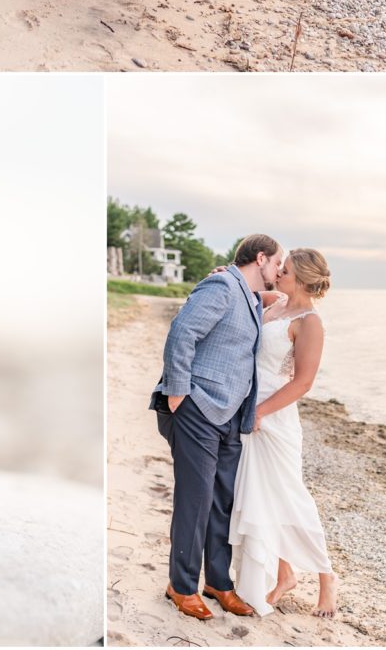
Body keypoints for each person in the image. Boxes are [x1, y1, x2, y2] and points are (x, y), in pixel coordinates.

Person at [150, 234, 282, 621]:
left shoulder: (254, 297)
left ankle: (218, 583)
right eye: (278, 263)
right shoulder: (222, 284)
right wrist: (177, 393)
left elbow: (292, 300)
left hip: (230, 416)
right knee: (195, 498)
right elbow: (182, 333)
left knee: (222, 500)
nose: (279, 270)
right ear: (261, 258)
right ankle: (182, 585)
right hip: (197, 407)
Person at [229, 248, 339, 618]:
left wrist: (261, 411)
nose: (278, 274)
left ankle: (326, 578)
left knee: (289, 496)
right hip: (247, 407)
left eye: (286, 271)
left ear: (305, 279)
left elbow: (303, 382)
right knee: (258, 496)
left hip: (273, 415)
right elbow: (242, 296)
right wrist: (225, 275)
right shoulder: (274, 303)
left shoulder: (311, 322)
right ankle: (284, 575)